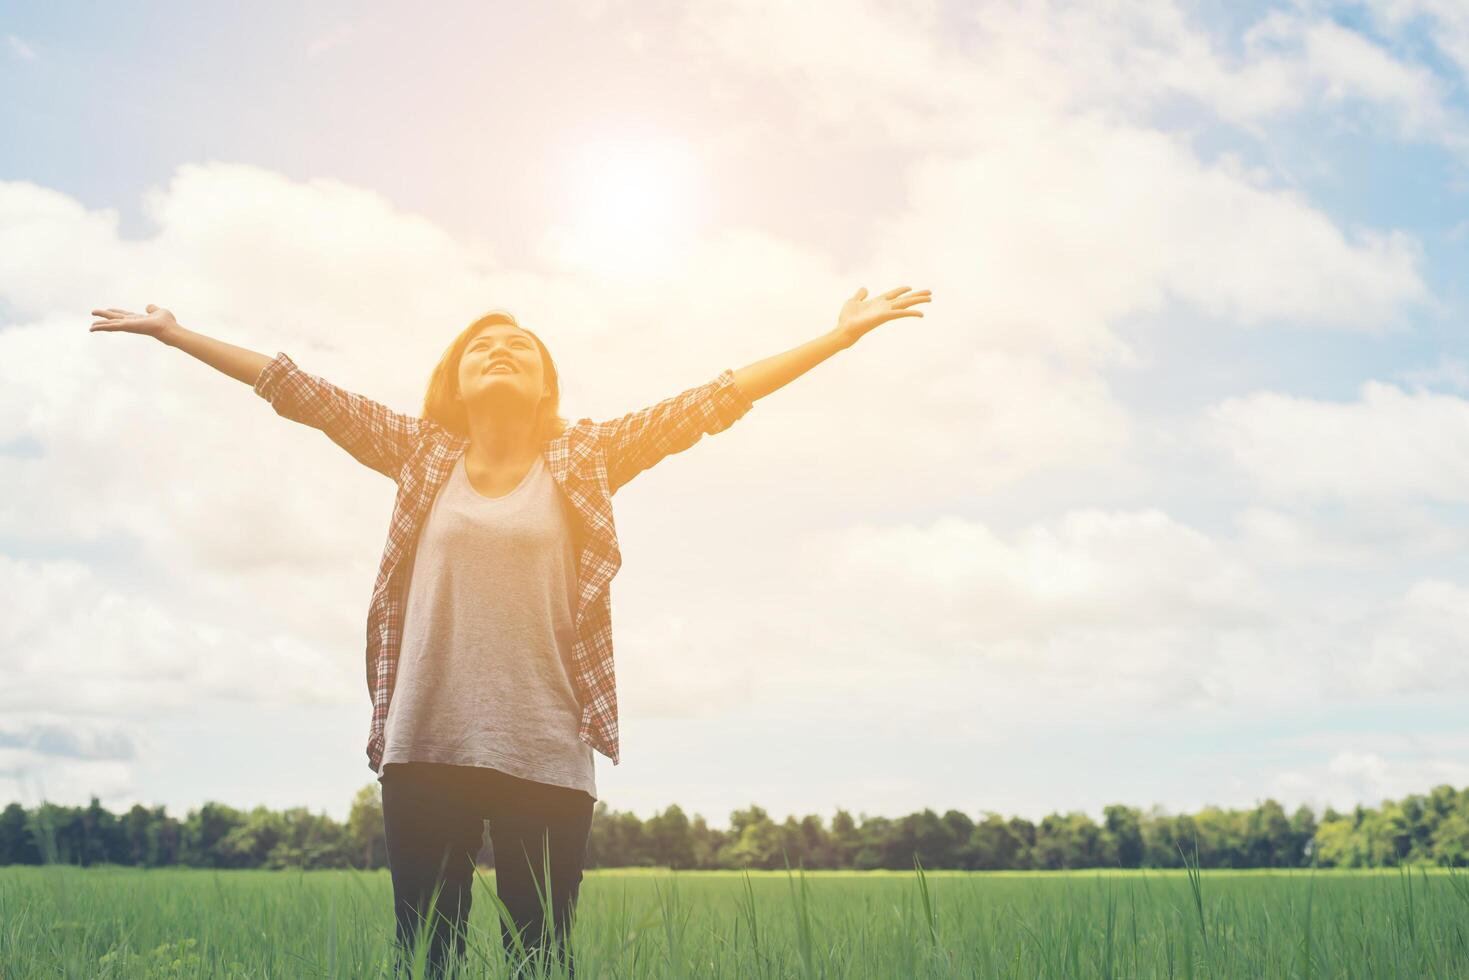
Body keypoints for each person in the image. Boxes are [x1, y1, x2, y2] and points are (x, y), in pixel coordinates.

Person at [87, 285, 931, 976]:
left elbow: (711, 403)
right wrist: (174, 334)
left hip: (545, 748)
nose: (500, 351)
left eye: (519, 349)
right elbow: (296, 390)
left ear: (544, 387)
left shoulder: (588, 459)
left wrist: (838, 338)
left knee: (539, 959)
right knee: (424, 958)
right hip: (426, 745)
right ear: (453, 383)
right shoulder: (420, 454)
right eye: (480, 348)